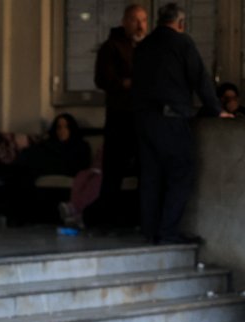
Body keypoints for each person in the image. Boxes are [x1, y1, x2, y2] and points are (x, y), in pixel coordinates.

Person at [132, 3, 229, 245]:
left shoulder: (143, 46)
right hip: (171, 118)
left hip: (144, 120)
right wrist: (217, 110)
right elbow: (200, 79)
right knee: (181, 173)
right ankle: (167, 232)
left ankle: (149, 231)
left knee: (150, 176)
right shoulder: (182, 43)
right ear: (181, 24)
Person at [91, 4, 147, 227]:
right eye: (135, 20)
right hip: (120, 115)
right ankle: (107, 219)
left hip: (142, 115)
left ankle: (138, 218)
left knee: (144, 168)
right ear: (125, 21)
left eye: (143, 20)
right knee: (113, 169)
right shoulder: (112, 47)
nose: (140, 25)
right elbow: (103, 79)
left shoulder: (148, 48)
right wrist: (125, 83)